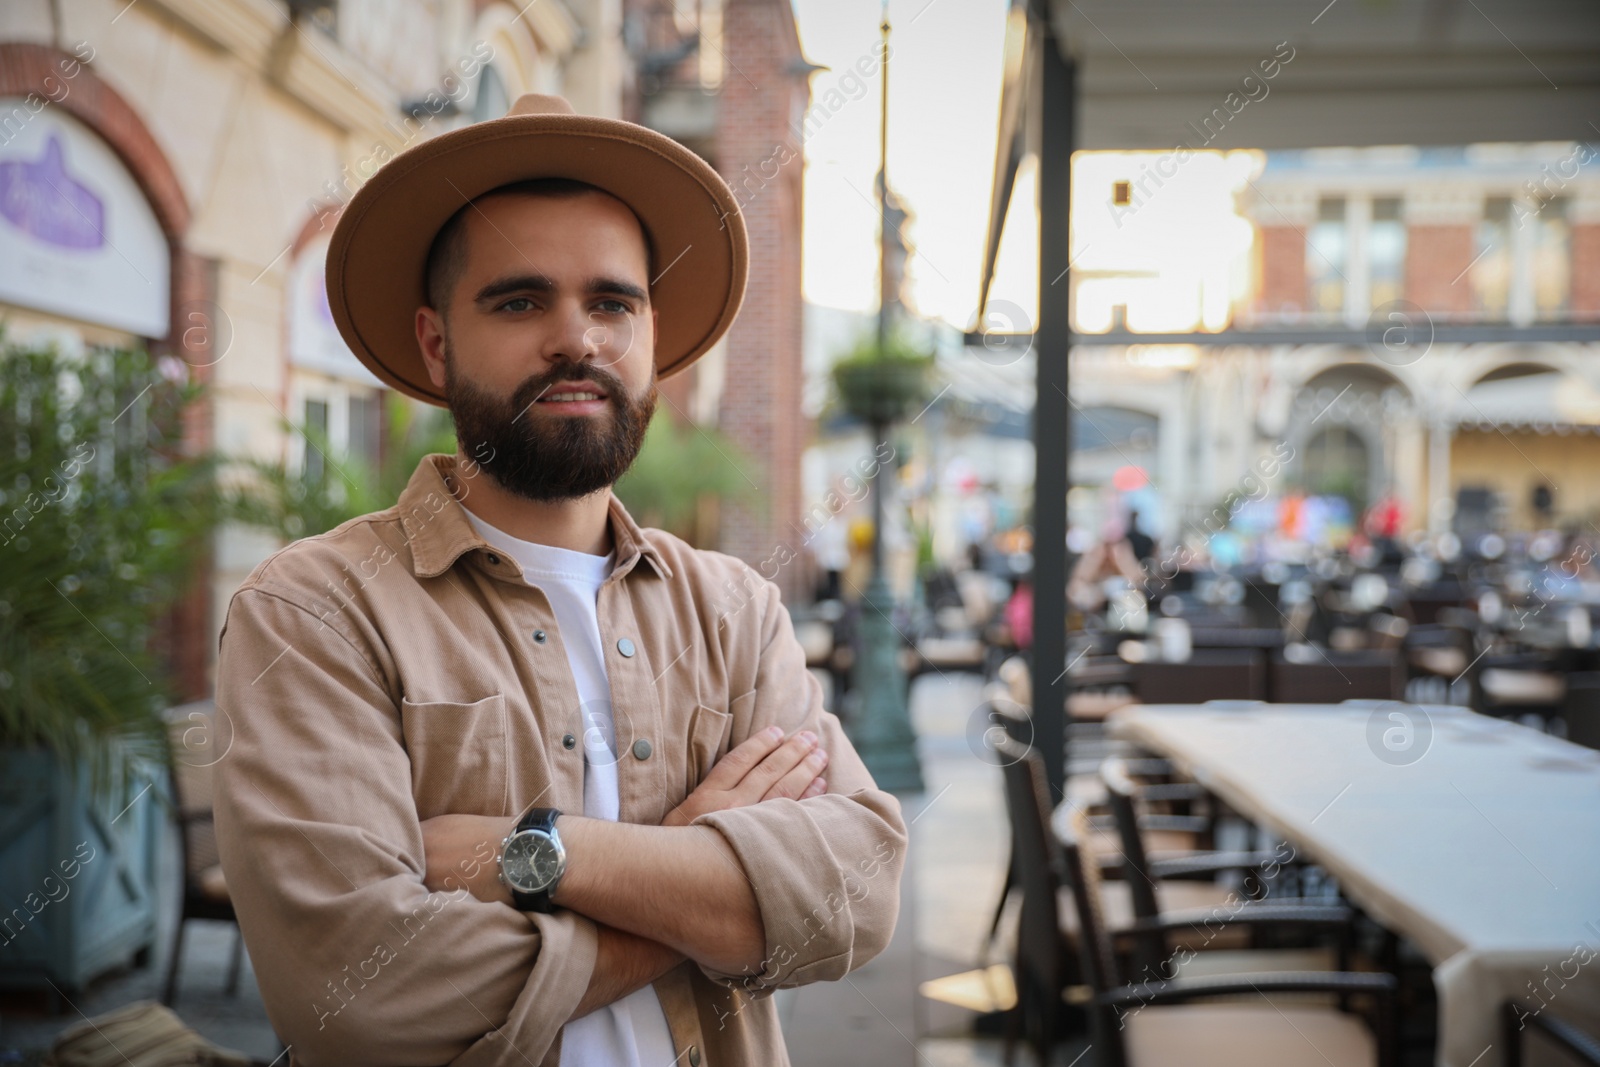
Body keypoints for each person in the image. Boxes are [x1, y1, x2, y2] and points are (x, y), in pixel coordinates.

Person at [212, 95, 904, 1067]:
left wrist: (541, 851)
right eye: (519, 299)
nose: (575, 338)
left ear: (653, 338)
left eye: (612, 302)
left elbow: (856, 889)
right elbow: (359, 990)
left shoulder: (734, 609)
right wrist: (704, 870)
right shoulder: (316, 610)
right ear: (435, 340)